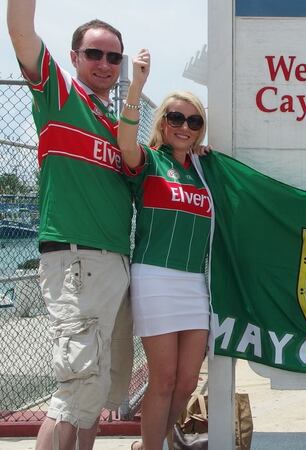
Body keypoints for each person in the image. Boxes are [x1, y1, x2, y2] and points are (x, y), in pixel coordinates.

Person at [7, 2, 134, 449]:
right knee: (75, 390)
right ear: (75, 56)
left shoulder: (116, 124)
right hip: (76, 258)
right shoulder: (60, 94)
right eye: (94, 54)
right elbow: (21, 31)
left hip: (114, 261)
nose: (104, 64)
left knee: (96, 392)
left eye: (113, 57)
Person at [117, 49, 213, 450]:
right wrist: (136, 86)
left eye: (193, 121)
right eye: (176, 118)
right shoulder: (150, 161)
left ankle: (153, 443)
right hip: (154, 277)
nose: (184, 127)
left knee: (188, 381)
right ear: (163, 122)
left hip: (195, 282)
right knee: (164, 378)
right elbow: (124, 143)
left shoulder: (205, 169)